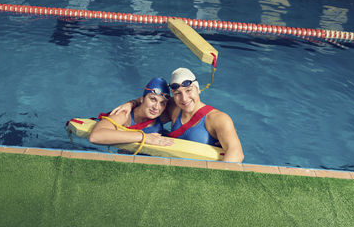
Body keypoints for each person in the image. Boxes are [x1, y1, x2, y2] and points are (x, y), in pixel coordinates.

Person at [112, 68, 244, 162]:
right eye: (177, 93)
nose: (184, 98)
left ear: (198, 89)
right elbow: (149, 100)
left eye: (188, 90)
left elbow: (236, 153)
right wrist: (131, 104)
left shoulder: (218, 118)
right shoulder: (173, 108)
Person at [89, 77, 174, 147]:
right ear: (142, 99)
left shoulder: (162, 115)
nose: (156, 107)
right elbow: (95, 136)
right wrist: (144, 137)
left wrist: (132, 102)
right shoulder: (124, 114)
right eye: (153, 99)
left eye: (162, 103)